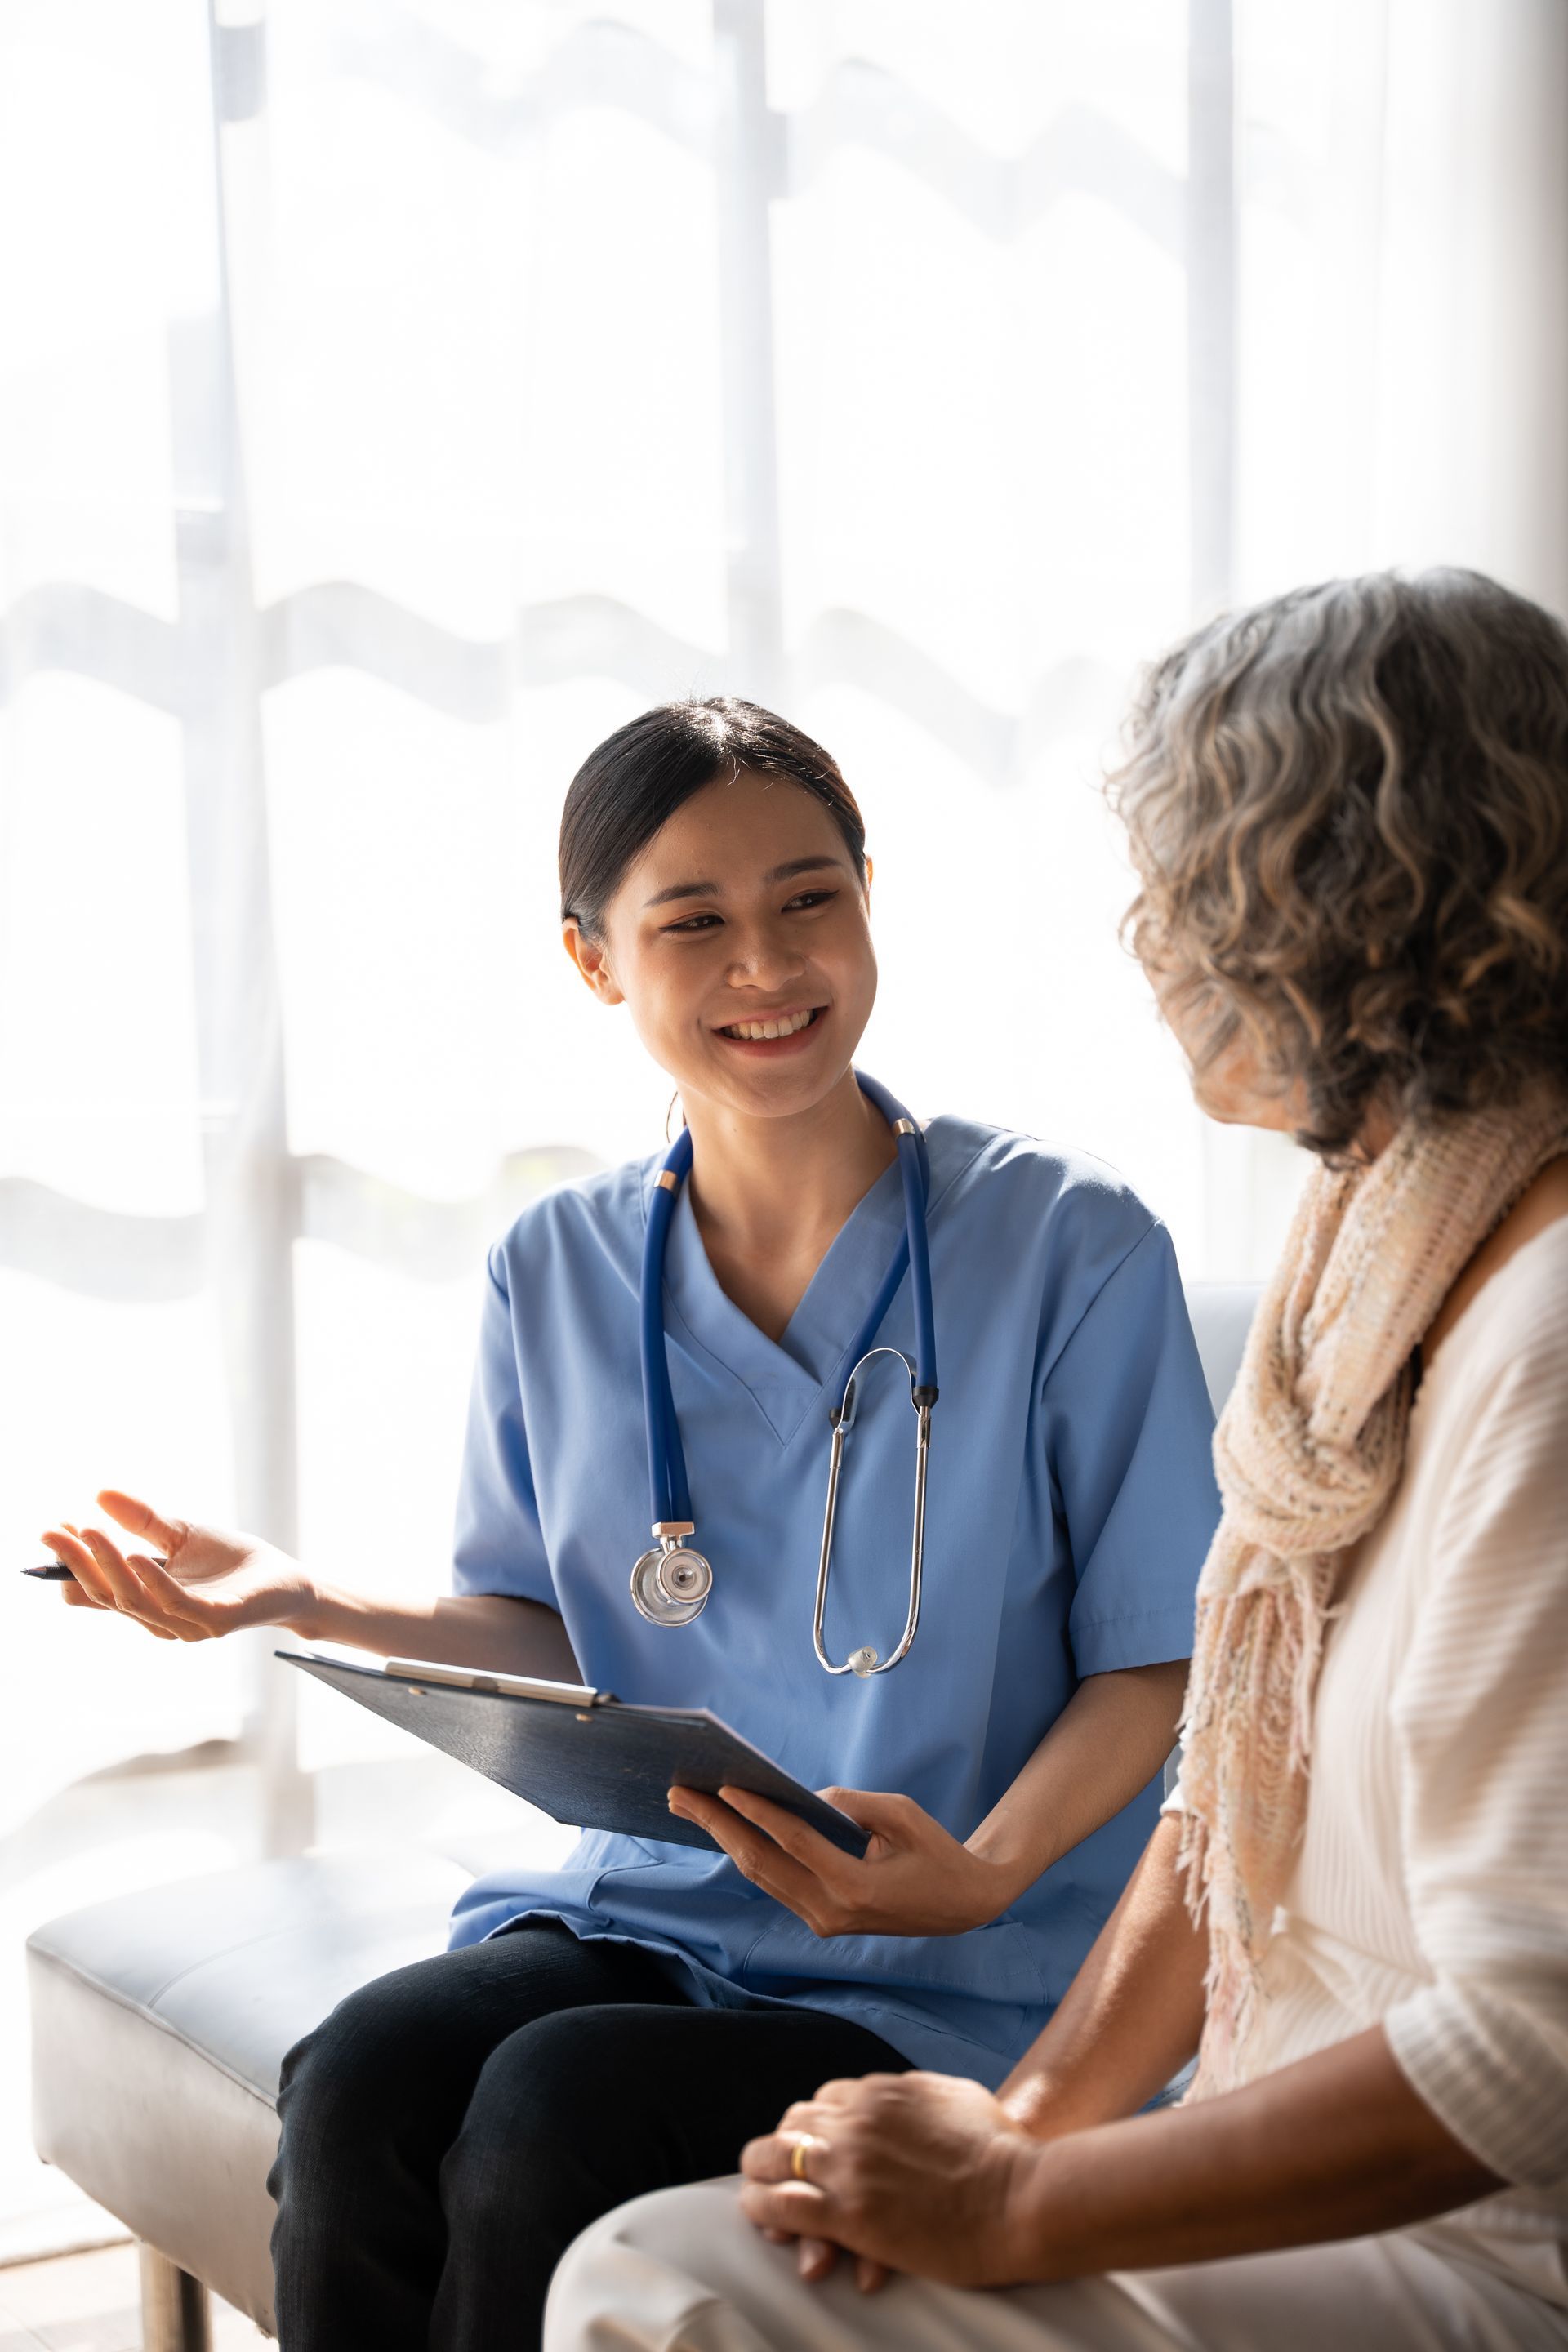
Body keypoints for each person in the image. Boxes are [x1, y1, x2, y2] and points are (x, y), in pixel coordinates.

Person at [40, 697, 1219, 2352]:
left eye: (811, 896)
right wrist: (300, 1595)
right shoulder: (562, 1267)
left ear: (870, 897)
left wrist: (987, 1873)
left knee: (552, 2112)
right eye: (696, 922)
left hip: (971, 1957)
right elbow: (547, 1630)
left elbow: (1164, 1655)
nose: (769, 962)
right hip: (664, 1916)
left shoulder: (1067, 1242)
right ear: (596, 961)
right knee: (364, 2081)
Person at [544, 574, 1568, 2352]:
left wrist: (1019, 2197)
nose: (1149, 934)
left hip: (1484, 2237)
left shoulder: (1536, 1338)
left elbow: (1534, 2054)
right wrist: (1017, 2131)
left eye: (1187, 872)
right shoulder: (1370, 1256)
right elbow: (1227, 1805)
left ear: (1340, 897)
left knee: (654, 2277)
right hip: (1266, 2106)